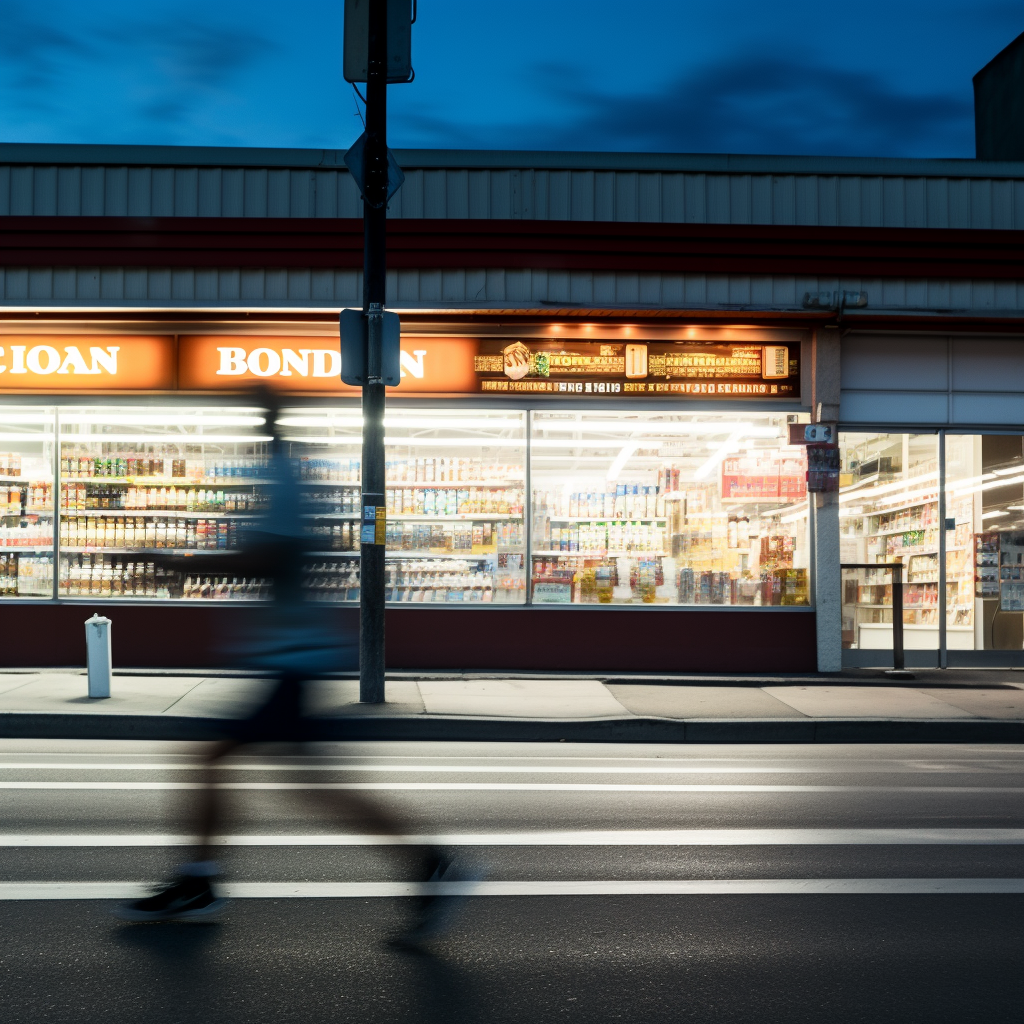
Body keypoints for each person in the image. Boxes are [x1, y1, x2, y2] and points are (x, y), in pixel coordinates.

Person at [116, 392, 471, 944]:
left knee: (234, 765)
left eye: (260, 418)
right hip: (289, 658)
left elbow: (275, 560)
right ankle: (429, 865)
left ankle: (201, 879)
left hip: (290, 660)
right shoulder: (284, 476)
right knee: (304, 783)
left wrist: (177, 562)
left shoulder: (282, 479)